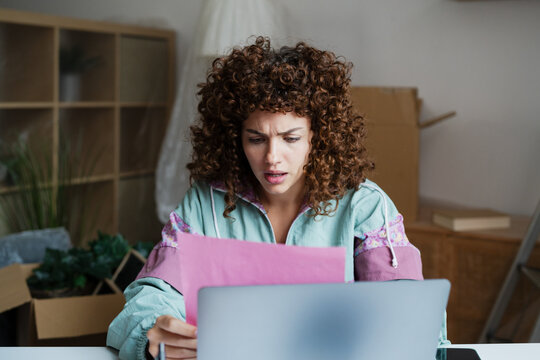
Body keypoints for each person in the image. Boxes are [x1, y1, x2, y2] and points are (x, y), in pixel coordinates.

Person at [107, 36, 447, 360]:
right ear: (235, 138)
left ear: (318, 136)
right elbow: (154, 295)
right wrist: (152, 332)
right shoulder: (203, 202)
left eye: (291, 138)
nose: (272, 157)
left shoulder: (364, 205)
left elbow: (407, 311)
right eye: (256, 139)